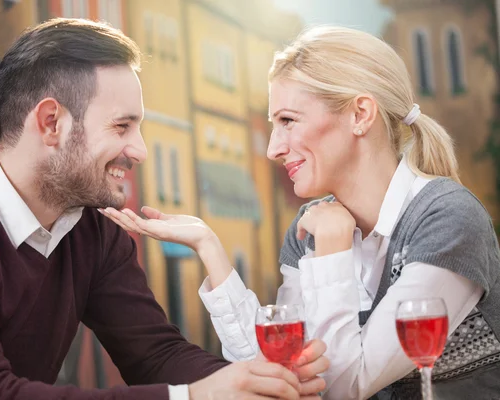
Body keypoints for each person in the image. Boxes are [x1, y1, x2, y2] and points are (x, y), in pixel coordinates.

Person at [0, 19, 330, 400]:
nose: (140, 151)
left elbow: (156, 355)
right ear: (51, 123)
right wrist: (192, 397)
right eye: (122, 126)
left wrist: (257, 385)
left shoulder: (93, 230)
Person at [103, 26, 500, 399]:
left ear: (360, 115)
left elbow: (343, 386)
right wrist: (210, 248)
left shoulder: (447, 220)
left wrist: (332, 247)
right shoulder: (313, 225)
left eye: (289, 121)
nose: (274, 147)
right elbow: (278, 371)